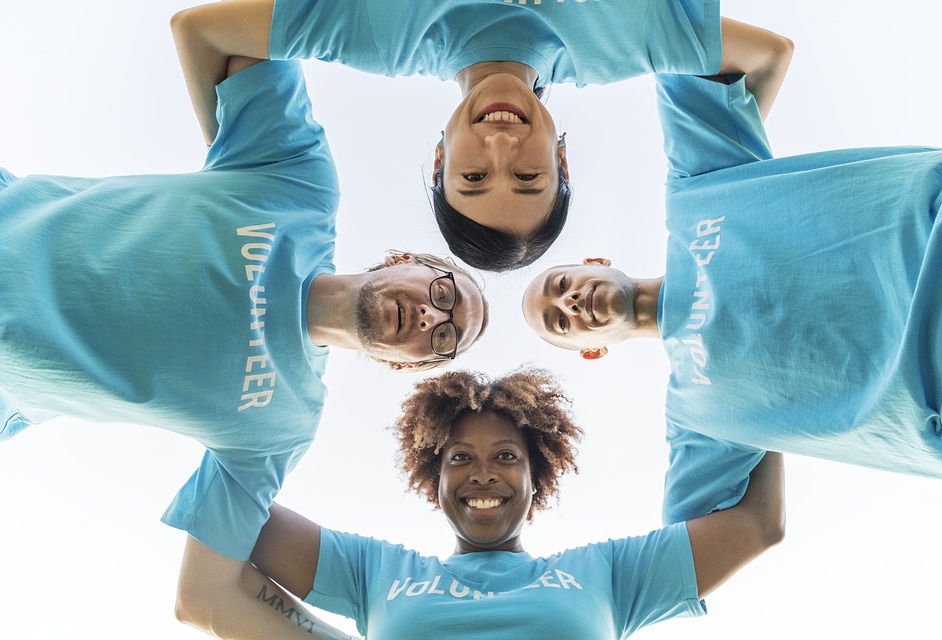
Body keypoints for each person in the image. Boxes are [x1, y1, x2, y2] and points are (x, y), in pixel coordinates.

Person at [0, 16, 487, 640]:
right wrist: (231, 138)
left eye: (444, 338)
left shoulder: (283, 423)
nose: (431, 315)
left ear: (406, 365)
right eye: (444, 292)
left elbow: (205, 597)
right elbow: (209, 34)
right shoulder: (298, 185)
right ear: (403, 260)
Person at [521, 29, 942, 527]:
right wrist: (766, 420)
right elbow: (699, 543)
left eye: (561, 285)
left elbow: (728, 50)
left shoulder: (695, 189)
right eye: (560, 322)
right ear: (591, 350)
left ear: (594, 263)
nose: (571, 303)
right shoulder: (698, 418)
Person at [166, 0, 789, 271]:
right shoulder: (626, 48)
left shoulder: (381, 37)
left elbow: (201, 32)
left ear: (437, 158)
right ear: (563, 162)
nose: (499, 148)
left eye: (471, 177)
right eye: (528, 177)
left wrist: (239, 181)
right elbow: (766, 57)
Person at [228, 368, 785, 640]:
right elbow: (237, 504)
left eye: (505, 456)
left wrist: (771, 378)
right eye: (460, 459)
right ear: (434, 477)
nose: (484, 474)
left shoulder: (610, 572)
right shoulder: (373, 571)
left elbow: (759, 524)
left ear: (537, 475)